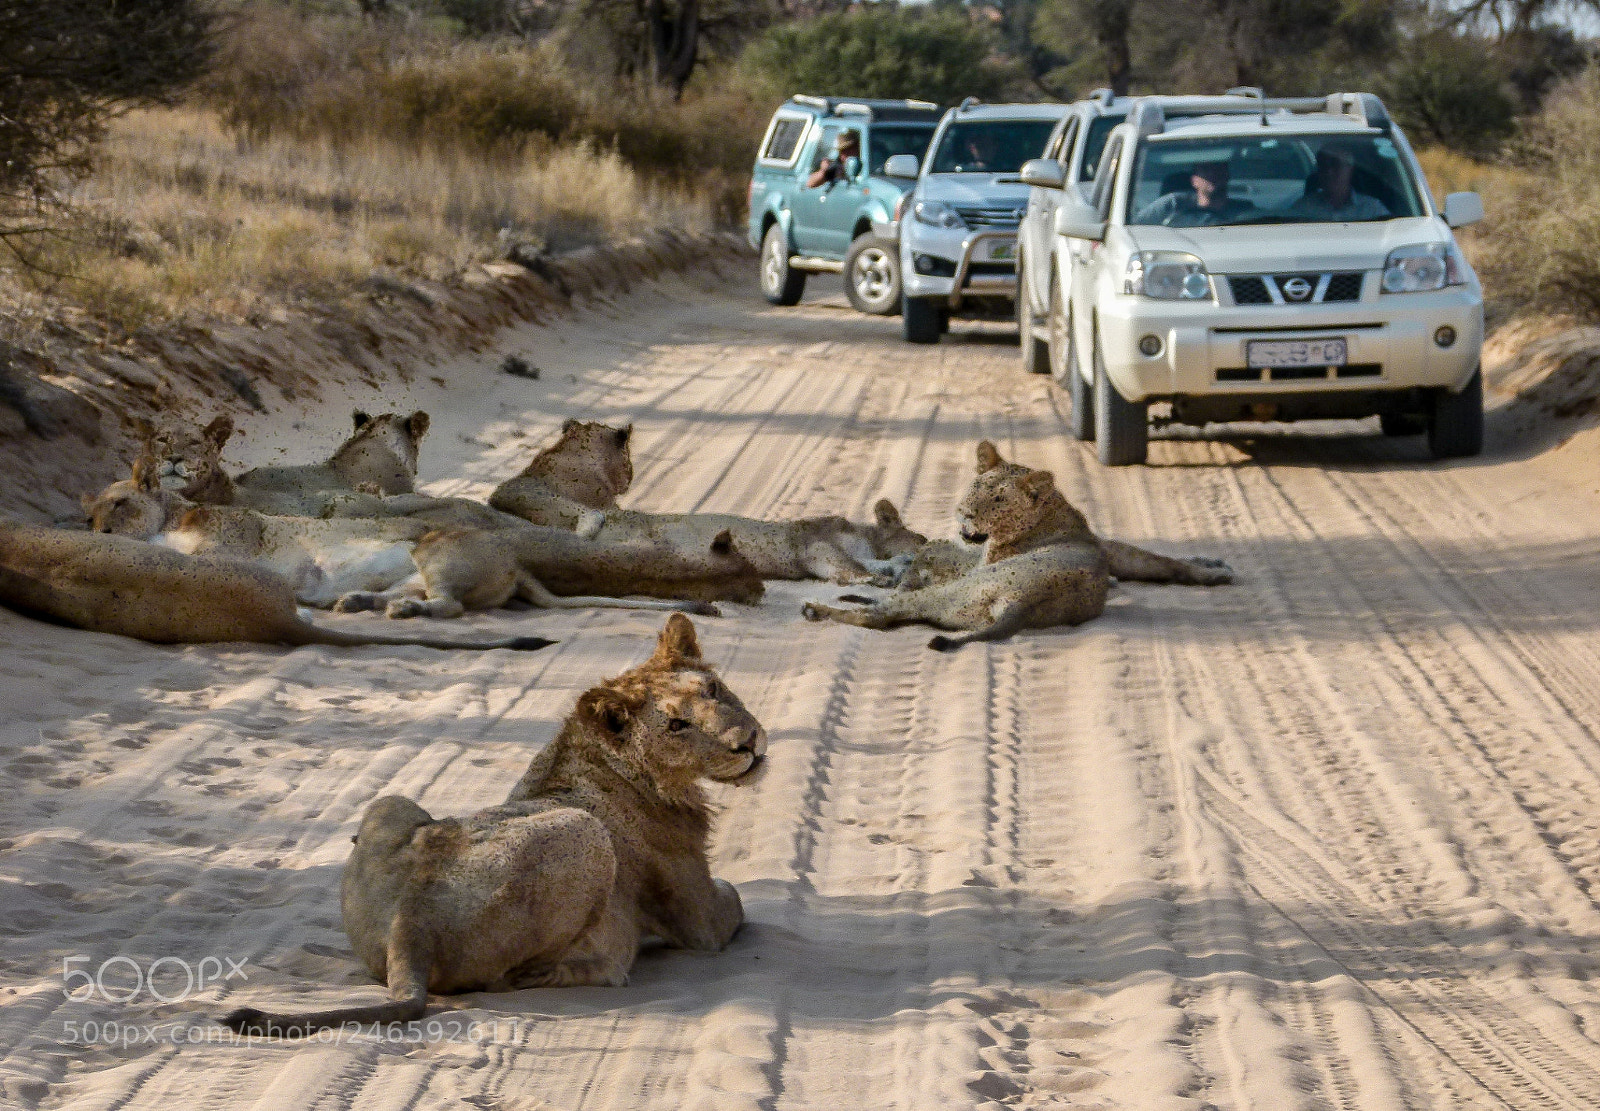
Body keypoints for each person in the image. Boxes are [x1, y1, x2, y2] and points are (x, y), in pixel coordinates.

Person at [1133, 160, 1256, 226]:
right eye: (1205, 171)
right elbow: (1136, 226)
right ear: (1193, 180)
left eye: (1218, 170)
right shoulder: (1172, 206)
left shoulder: (1247, 213)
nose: (1212, 175)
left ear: (1227, 176)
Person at [1285, 144, 1389, 221]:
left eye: (1335, 164)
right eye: (1323, 166)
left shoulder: (1372, 210)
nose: (1329, 172)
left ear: (1350, 169)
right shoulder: (1302, 209)